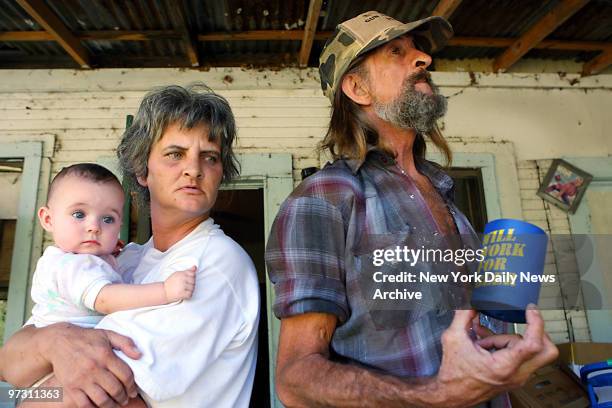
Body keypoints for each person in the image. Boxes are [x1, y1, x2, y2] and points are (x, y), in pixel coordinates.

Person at [266, 11, 558, 408]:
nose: (423, 59)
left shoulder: (442, 192)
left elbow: (451, 336)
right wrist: (435, 396)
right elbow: (295, 379)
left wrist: (495, 350)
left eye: (419, 49)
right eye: (397, 52)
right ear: (356, 87)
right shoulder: (324, 198)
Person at [0, 84, 260, 408]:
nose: (194, 169)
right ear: (141, 170)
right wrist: (53, 341)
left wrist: (43, 361)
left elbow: (97, 394)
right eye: (175, 154)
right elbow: (9, 364)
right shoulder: (127, 260)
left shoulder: (214, 262)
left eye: (210, 157)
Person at [27, 163, 196, 332]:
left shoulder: (66, 259)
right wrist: (165, 291)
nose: (94, 227)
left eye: (108, 219)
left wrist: (106, 255)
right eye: (79, 214)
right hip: (71, 350)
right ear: (48, 219)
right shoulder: (73, 265)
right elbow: (106, 300)